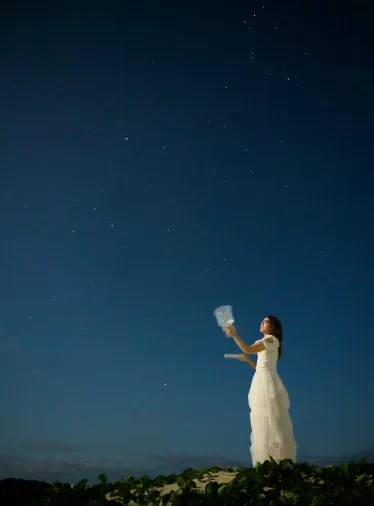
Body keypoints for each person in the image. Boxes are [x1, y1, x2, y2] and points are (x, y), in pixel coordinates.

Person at [224, 316, 297, 466]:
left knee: (272, 421)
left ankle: (278, 461)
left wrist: (234, 334)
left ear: (272, 327)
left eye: (265, 322)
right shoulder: (268, 342)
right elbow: (259, 366)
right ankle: (269, 462)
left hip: (266, 383)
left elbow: (248, 349)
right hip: (262, 379)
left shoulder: (270, 340)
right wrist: (247, 360)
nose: (261, 323)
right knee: (264, 421)